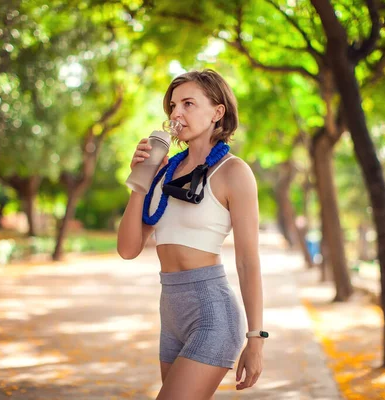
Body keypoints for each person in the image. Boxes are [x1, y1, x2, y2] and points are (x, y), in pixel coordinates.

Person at [117, 69, 266, 399]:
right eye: (172, 105)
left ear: (217, 112)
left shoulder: (233, 172)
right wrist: (140, 181)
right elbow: (128, 249)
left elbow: (247, 260)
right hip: (170, 309)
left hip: (211, 310)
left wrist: (256, 337)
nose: (176, 114)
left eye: (187, 103)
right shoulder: (164, 171)